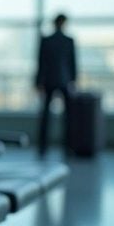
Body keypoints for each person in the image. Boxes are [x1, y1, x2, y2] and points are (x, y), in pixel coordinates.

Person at [35, 13, 77, 157]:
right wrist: (73, 80)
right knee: (69, 117)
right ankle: (68, 147)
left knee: (46, 116)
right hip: (64, 80)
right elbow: (73, 63)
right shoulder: (68, 40)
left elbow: (41, 63)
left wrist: (38, 82)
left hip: (49, 80)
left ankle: (43, 147)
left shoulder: (47, 40)